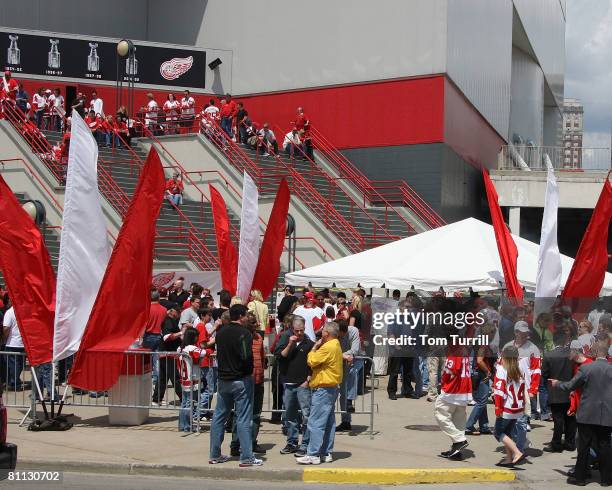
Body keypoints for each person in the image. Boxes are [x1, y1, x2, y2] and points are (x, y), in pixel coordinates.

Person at [551, 341, 612, 486]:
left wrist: (557, 383)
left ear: (596, 353)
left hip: (587, 414)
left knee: (584, 446)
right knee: (605, 446)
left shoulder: (586, 369)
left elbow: (570, 386)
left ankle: (580, 478)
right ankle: (606, 479)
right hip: (607, 414)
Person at [209, 304, 261, 467]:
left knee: (219, 417)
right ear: (240, 316)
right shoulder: (244, 333)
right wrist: (248, 371)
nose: (247, 318)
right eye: (245, 315)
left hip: (223, 379)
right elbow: (246, 356)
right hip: (240, 380)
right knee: (244, 418)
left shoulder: (221, 332)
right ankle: (246, 457)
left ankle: (214, 454)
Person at [296, 322, 343, 465]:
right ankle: (326, 452)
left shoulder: (328, 346)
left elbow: (312, 361)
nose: (321, 332)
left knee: (315, 422)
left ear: (326, 334)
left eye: (322, 330)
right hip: (330, 387)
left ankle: (313, 454)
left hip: (323, 388)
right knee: (328, 422)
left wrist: (314, 347)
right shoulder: (335, 344)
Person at [230, 312, 267, 456]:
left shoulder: (259, 338)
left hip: (258, 381)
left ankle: (252, 442)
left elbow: (263, 358)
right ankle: (235, 444)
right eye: (252, 322)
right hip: (244, 381)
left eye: (256, 322)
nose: (255, 325)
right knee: (240, 413)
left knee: (256, 414)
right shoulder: (241, 337)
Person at [277, 316, 314, 456]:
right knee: (290, 415)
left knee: (306, 415)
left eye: (302, 330)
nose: (299, 333)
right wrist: (290, 344)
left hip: (303, 384)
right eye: (297, 330)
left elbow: (313, 364)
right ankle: (292, 442)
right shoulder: (286, 339)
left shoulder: (309, 344)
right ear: (292, 329)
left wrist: (308, 380)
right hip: (288, 383)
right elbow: (280, 356)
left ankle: (305, 444)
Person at [504, 320, 542, 453]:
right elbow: (501, 367)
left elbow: (536, 371)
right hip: (509, 390)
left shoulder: (533, 349)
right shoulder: (508, 347)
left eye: (526, 332)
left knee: (521, 421)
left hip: (524, 390)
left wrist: (533, 390)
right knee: (509, 420)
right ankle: (521, 442)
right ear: (515, 332)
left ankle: (519, 449)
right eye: (522, 332)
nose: (525, 335)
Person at [434, 347, 472, 460]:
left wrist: (443, 384)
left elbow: (449, 371)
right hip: (464, 390)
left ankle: (459, 440)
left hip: (452, 391)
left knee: (440, 414)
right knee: (458, 421)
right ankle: (457, 450)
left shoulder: (454, 351)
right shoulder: (464, 349)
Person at [542, 329, 576, 453]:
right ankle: (570, 443)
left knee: (558, 419)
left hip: (555, 391)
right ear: (565, 340)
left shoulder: (549, 355)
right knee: (570, 419)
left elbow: (544, 374)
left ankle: (556, 443)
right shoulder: (572, 354)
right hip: (570, 389)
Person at [493, 345, 527, 466]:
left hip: (506, 408)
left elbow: (499, 392)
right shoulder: (519, 370)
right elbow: (523, 390)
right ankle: (509, 458)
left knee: (498, 433)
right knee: (507, 433)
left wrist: (498, 408)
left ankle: (517, 452)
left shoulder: (502, 370)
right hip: (517, 408)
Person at [465, 318, 498, 435]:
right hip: (480, 374)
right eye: (493, 332)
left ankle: (484, 426)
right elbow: (479, 360)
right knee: (481, 402)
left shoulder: (478, 341)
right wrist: (488, 372)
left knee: (481, 401)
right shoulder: (484, 343)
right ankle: (468, 425)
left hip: (476, 373)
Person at [152, 306, 183, 405]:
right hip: (168, 353)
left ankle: (156, 399)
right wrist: (182, 332)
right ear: (173, 311)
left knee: (162, 378)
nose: (179, 314)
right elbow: (167, 337)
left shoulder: (170, 321)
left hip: (166, 353)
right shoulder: (168, 321)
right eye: (178, 311)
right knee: (175, 378)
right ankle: (184, 398)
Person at [177, 327, 204, 432]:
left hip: (184, 378)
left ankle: (182, 424)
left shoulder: (180, 348)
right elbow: (203, 352)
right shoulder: (191, 348)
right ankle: (187, 426)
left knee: (185, 402)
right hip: (191, 378)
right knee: (189, 403)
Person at [387, 299, 414, 400]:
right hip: (397, 349)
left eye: (410, 307)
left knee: (408, 372)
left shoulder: (411, 319)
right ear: (401, 307)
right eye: (407, 307)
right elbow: (390, 333)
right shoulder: (395, 318)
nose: (409, 309)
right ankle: (392, 392)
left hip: (409, 348)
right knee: (394, 372)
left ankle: (408, 391)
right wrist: (397, 346)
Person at [337, 319, 361, 432]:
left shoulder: (353, 331)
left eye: (339, 334)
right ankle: (345, 421)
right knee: (342, 392)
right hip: (340, 361)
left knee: (352, 373)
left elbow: (355, 350)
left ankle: (350, 401)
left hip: (355, 360)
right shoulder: (333, 333)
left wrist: (342, 355)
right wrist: (342, 356)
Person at [142, 290, 168, 386]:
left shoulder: (147, 309)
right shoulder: (164, 309)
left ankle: (148, 379)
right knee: (157, 360)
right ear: (158, 297)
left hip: (149, 335)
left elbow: (144, 325)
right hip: (159, 336)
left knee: (146, 360)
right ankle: (156, 380)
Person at [2, 304, 25, 391]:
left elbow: (6, 328)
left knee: (13, 365)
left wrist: (4, 339)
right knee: (18, 365)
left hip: (12, 343)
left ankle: (14, 383)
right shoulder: (22, 311)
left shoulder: (9, 312)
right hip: (21, 343)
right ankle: (15, 382)